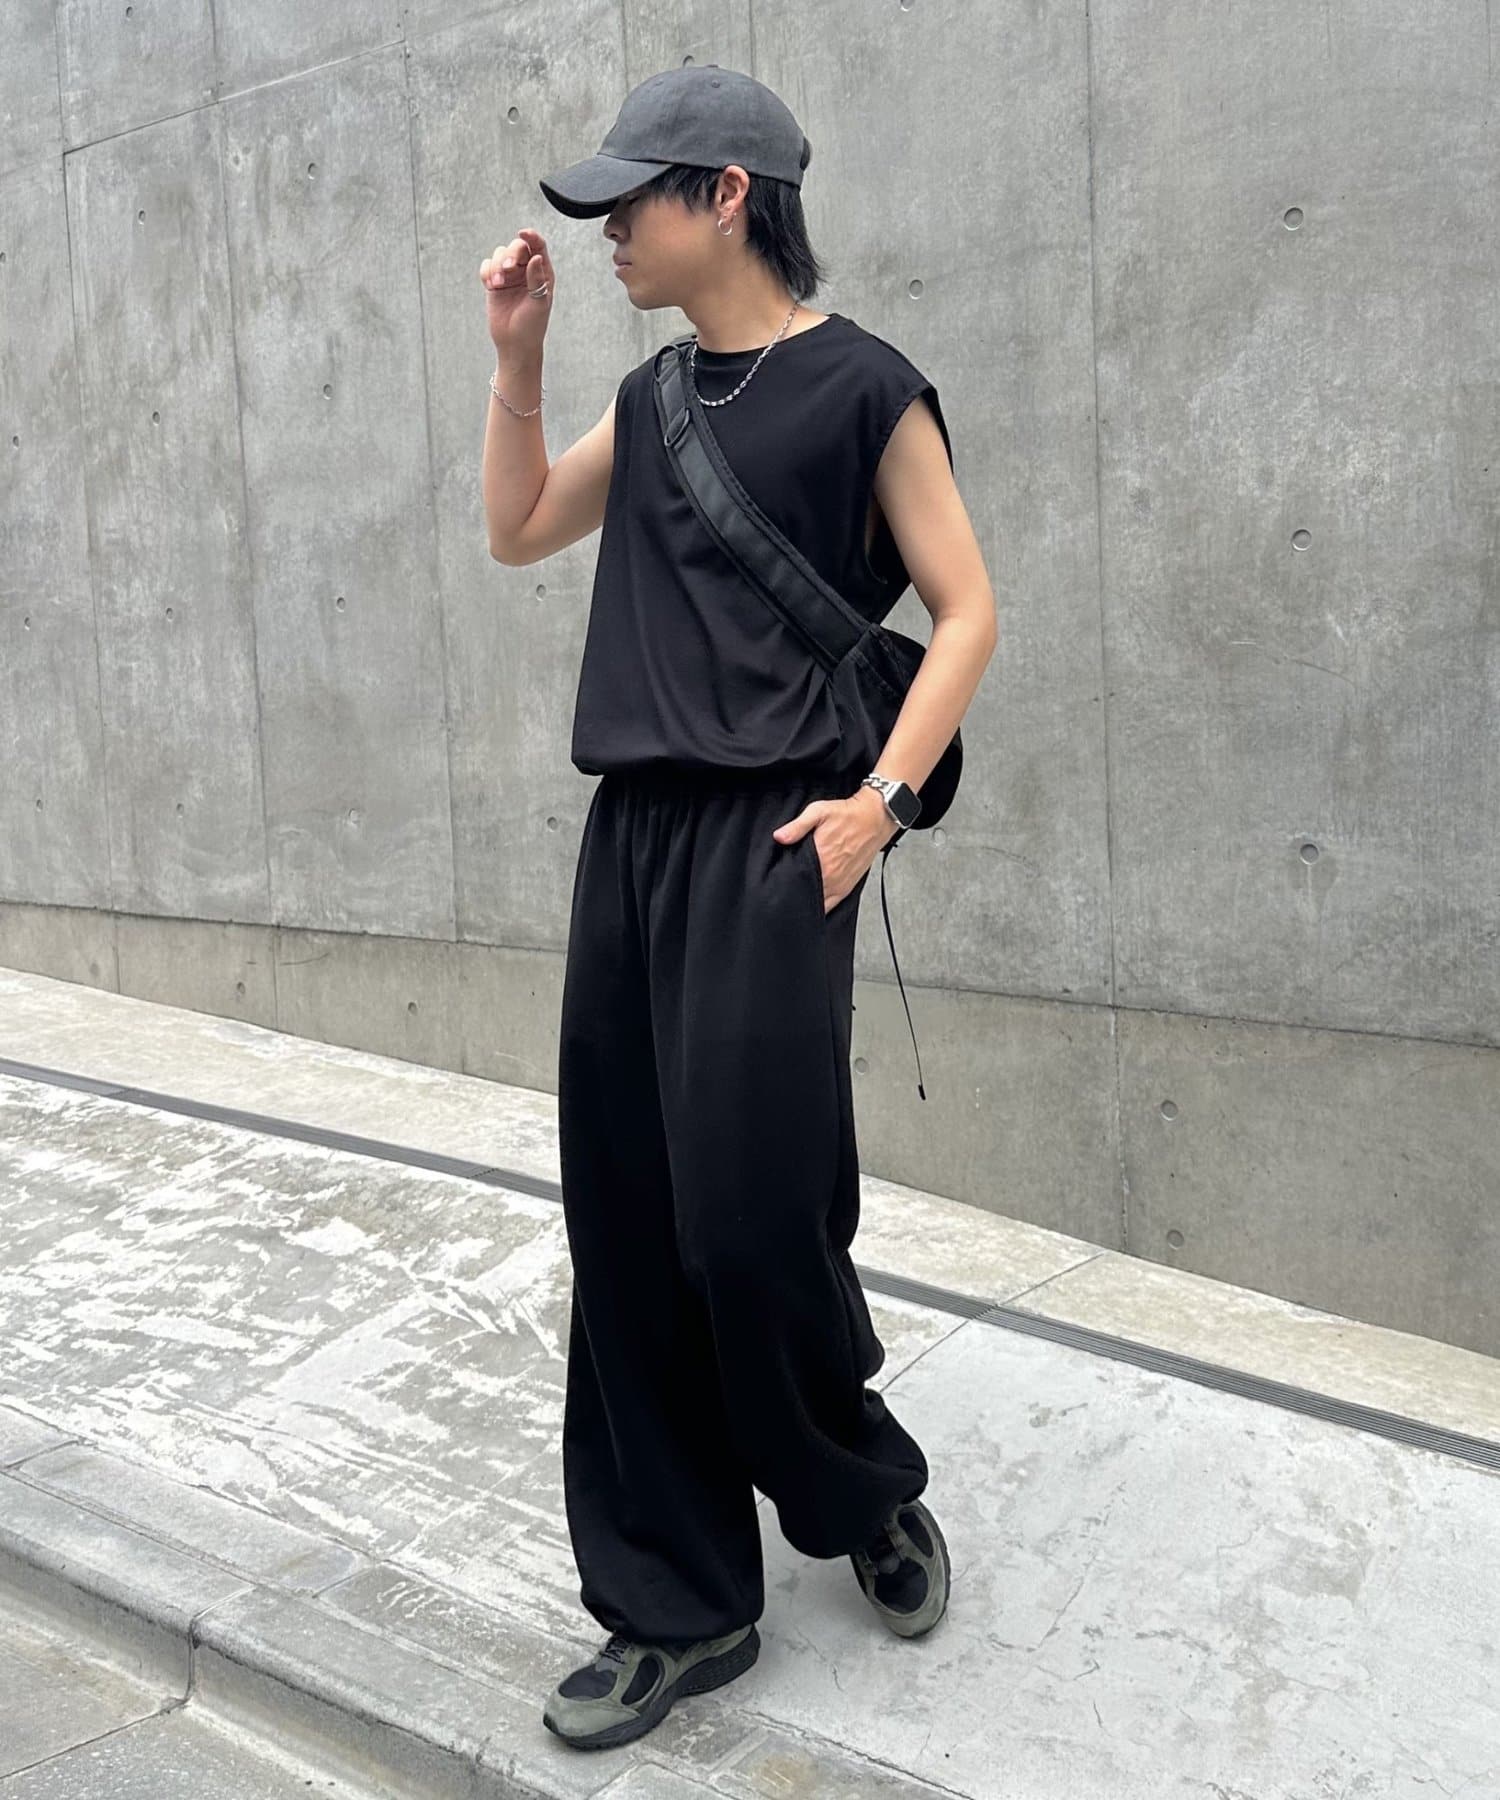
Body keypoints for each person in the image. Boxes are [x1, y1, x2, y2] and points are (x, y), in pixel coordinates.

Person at [479, 64, 997, 1753]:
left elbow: (967, 608)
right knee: (630, 1222)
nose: (607, 232)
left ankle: (855, 1489)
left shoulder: (865, 388)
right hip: (631, 841)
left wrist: (881, 805)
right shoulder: (650, 404)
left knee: (753, 1219)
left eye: (630, 200)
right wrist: (517, 364)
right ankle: (677, 1602)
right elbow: (516, 529)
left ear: (723, 195)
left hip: (781, 843)